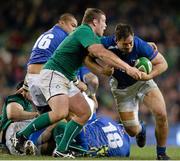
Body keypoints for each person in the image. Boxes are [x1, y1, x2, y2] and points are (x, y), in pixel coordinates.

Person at [12, 8, 142, 158]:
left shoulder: (88, 36)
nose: (105, 26)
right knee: (60, 113)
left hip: (65, 77)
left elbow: (90, 56)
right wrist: (127, 68)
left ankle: (61, 150)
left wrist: (142, 45)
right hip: (54, 73)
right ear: (95, 21)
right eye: (103, 22)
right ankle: (21, 136)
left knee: (84, 112)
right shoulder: (84, 31)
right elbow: (100, 52)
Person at [107, 23, 169, 160]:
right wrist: (101, 70)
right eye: (125, 44)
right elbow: (89, 53)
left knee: (161, 114)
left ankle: (161, 153)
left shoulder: (140, 45)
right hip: (122, 90)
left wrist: (149, 76)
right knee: (131, 131)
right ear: (116, 41)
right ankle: (141, 129)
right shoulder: (105, 44)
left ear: (133, 37)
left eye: (131, 42)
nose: (129, 46)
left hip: (143, 83)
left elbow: (163, 63)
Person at [25, 13, 78, 110]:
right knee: (74, 112)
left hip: (32, 79)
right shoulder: (65, 37)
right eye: (73, 25)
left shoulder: (45, 35)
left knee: (47, 117)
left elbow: (34, 60)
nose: (74, 29)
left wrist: (25, 85)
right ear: (61, 23)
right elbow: (68, 63)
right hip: (46, 78)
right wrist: (76, 81)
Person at [0, 81, 38, 155]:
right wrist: (37, 115)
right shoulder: (16, 98)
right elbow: (13, 114)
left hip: (28, 134)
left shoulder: (32, 103)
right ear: (22, 91)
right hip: (15, 131)